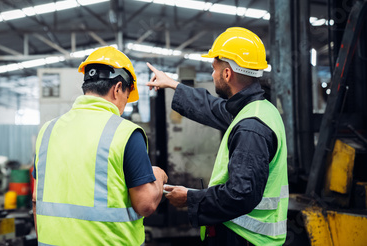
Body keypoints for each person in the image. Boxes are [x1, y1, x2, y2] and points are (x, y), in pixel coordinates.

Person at [147, 27, 288, 246]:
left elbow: (241, 195)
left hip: (244, 238)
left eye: (214, 69)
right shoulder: (259, 109)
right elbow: (213, 108)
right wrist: (172, 84)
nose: (212, 75)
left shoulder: (251, 127)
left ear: (227, 73)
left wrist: (190, 198)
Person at [32, 46, 168, 245]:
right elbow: (145, 204)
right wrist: (158, 175)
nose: (124, 106)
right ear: (117, 89)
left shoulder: (48, 131)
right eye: (126, 97)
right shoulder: (125, 133)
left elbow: (37, 200)